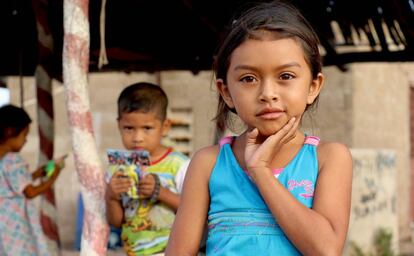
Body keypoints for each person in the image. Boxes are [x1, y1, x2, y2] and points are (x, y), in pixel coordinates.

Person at [166, 1, 353, 255]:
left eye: (285, 76)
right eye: (248, 79)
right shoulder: (209, 163)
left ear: (313, 86)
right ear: (226, 92)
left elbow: (326, 250)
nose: (267, 94)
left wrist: (261, 172)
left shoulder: (328, 158)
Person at [105, 82, 190, 255]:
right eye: (129, 128)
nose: (137, 138)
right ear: (119, 125)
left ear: (165, 127)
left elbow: (194, 210)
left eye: (147, 128)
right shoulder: (116, 171)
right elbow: (116, 222)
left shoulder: (179, 165)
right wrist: (111, 197)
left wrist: (161, 192)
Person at [0, 104, 65, 255]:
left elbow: (13, 181)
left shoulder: (3, 160)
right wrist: (54, 176)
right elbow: (29, 192)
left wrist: (36, 174)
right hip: (15, 221)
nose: (25, 141)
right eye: (24, 135)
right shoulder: (13, 159)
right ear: (10, 132)